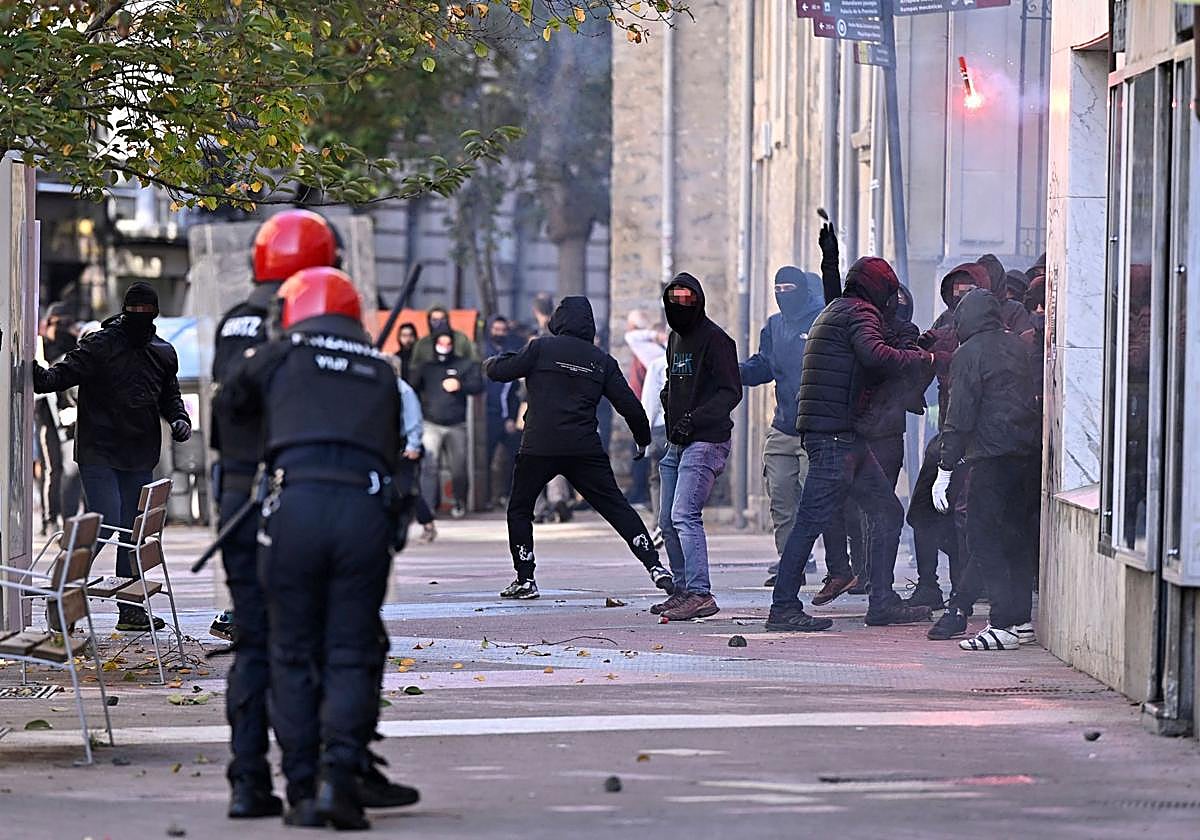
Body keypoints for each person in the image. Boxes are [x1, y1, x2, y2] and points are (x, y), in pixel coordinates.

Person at [227, 267, 417, 829]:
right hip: (363, 511)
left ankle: (303, 789)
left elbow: (232, 401)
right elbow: (393, 449)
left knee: (291, 650)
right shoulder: (381, 371)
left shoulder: (281, 354)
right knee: (352, 651)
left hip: (297, 507)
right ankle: (341, 780)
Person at [208, 209, 337, 818]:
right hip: (278, 491)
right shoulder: (282, 325)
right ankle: (299, 782)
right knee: (294, 641)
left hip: (244, 489)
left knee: (258, 641)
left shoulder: (242, 320)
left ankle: (249, 781)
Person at [767, 256, 933, 632]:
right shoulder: (859, 314)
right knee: (810, 521)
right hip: (835, 436)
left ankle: (883, 602)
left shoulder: (836, 310)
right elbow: (876, 356)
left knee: (888, 513)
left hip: (841, 434)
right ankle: (783, 607)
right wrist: (921, 358)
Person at [484, 295, 673, 600]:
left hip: (539, 446)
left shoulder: (541, 348)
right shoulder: (601, 360)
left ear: (558, 320)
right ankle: (655, 566)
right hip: (584, 448)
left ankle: (525, 577)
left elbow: (499, 371)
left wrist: (493, 360)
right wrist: (642, 440)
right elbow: (630, 407)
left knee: (520, 508)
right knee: (616, 508)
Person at [32, 282, 191, 633]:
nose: (140, 316)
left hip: (138, 454)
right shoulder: (99, 345)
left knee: (133, 533)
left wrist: (180, 420)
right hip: (99, 451)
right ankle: (62, 596)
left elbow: (170, 396)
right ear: (125, 310)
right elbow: (59, 376)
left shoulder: (162, 352)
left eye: (145, 310)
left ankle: (130, 609)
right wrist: (33, 371)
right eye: (135, 309)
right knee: (103, 525)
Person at [927, 289, 1040, 650]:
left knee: (981, 537)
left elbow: (959, 415)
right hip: (1026, 456)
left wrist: (945, 468)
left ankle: (1002, 622)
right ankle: (1020, 620)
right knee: (1018, 539)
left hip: (991, 457)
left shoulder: (968, 354)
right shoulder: (1018, 348)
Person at [653, 273, 742, 621]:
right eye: (674, 300)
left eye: (687, 300)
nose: (680, 307)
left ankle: (700, 592)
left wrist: (696, 418)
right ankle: (682, 589)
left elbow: (729, 391)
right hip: (676, 441)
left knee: (684, 515)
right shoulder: (675, 338)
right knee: (666, 519)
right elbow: (673, 379)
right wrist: (668, 400)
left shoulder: (717, 340)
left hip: (707, 441)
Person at [739, 267, 828, 589]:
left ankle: (834, 563)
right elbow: (763, 364)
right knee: (780, 497)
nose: (782, 294)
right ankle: (791, 564)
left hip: (817, 428)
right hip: (783, 426)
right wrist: (733, 371)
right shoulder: (774, 326)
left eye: (789, 287)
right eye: (777, 288)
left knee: (815, 501)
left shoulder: (822, 319)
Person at [905, 263, 985, 610]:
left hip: (977, 440)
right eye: (956, 292)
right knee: (923, 511)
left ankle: (961, 591)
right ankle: (927, 584)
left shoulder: (994, 332)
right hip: (946, 433)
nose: (960, 300)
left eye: (968, 293)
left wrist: (939, 355)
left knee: (961, 518)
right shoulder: (943, 323)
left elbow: (972, 365)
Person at [411, 329, 484, 518]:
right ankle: (428, 506)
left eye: (448, 343)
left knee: (459, 467)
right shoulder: (426, 367)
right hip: (431, 424)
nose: (444, 347)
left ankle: (459, 502)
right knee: (429, 467)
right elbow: (411, 388)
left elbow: (478, 386)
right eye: (440, 343)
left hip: (456, 425)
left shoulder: (463, 364)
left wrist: (461, 386)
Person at [35, 302, 83, 533]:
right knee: (52, 468)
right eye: (57, 323)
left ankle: (65, 518)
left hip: (69, 416)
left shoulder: (75, 346)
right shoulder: (39, 346)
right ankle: (50, 519)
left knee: (70, 469)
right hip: (46, 413)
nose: (61, 328)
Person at [483, 316, 522, 508]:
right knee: (486, 458)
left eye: (503, 329)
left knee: (514, 458)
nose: (499, 332)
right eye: (496, 329)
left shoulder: (512, 352)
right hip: (489, 415)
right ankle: (487, 498)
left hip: (509, 415)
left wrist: (511, 417)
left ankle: (507, 496)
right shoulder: (483, 352)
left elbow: (515, 390)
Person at [409, 304, 477, 371]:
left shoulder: (461, 339)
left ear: (447, 320)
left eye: (442, 319)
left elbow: (474, 361)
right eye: (434, 320)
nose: (439, 323)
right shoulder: (422, 344)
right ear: (429, 321)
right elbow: (414, 368)